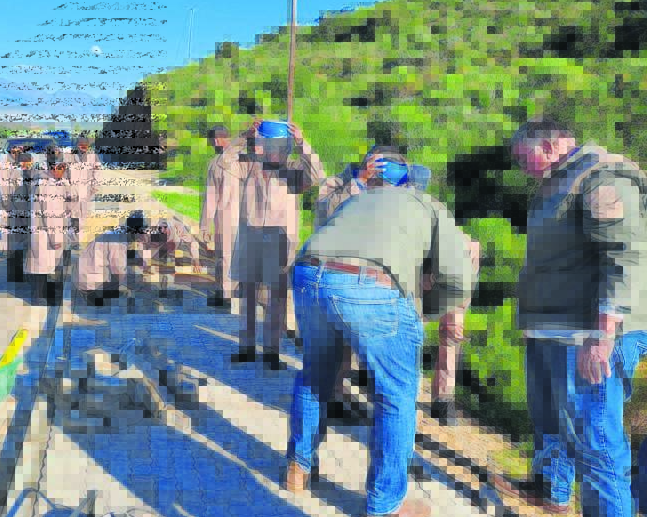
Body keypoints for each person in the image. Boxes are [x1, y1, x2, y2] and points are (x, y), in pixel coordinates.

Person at [489, 115, 647, 517]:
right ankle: (551, 489)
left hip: (591, 332)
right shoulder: (558, 183)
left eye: (525, 157)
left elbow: (624, 255)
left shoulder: (601, 176)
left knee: (596, 436)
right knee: (551, 419)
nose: (521, 167)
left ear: (553, 143)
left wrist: (604, 333)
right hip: (553, 329)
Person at [283, 175, 474, 517]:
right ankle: (384, 505)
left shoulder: (360, 199)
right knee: (396, 395)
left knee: (315, 376)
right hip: (367, 281)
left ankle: (298, 468)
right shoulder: (431, 208)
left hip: (309, 274)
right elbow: (459, 279)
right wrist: (422, 312)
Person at [314, 146, 481, 426]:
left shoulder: (413, 199)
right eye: (381, 170)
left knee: (449, 328)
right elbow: (327, 212)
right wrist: (359, 181)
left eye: (395, 173)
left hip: (410, 280)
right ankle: (336, 395)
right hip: (347, 275)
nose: (389, 180)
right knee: (346, 331)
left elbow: (444, 235)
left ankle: (442, 398)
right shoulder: (343, 186)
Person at [221, 118, 326, 369]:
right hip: (250, 238)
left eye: (280, 146)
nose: (274, 151)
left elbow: (318, 175)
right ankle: (246, 347)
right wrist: (245, 135)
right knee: (247, 295)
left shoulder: (294, 172)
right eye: (270, 145)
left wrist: (302, 143)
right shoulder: (249, 166)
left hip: (280, 243)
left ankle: (272, 351)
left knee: (276, 299)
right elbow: (224, 162)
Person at [75, 211, 154, 306]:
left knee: (125, 266)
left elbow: (124, 257)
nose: (145, 234)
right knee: (124, 281)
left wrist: (139, 261)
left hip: (83, 277)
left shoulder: (118, 233)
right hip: (90, 287)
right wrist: (139, 285)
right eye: (143, 231)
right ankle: (95, 297)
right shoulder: (118, 243)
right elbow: (119, 273)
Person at [25, 160, 77, 304]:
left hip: (43, 233)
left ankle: (40, 296)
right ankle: (38, 298)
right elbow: (50, 215)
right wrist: (56, 239)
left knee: (41, 266)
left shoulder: (46, 182)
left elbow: (72, 198)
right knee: (42, 268)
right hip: (46, 234)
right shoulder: (48, 187)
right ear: (54, 168)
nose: (64, 171)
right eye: (61, 168)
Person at [199, 125, 239, 308]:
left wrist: (204, 226)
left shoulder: (216, 163)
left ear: (216, 140)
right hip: (249, 217)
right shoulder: (245, 159)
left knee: (224, 256)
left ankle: (225, 295)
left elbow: (210, 198)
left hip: (226, 217)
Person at [0, 150, 34, 282]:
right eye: (24, 163)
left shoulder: (35, 174)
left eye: (29, 163)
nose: (27, 165)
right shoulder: (15, 173)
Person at [65, 136, 103, 248]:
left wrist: (94, 188)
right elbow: (63, 173)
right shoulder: (69, 156)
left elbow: (98, 173)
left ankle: (76, 240)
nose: (83, 146)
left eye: (85, 145)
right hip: (71, 191)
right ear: (77, 145)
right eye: (81, 144)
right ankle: (73, 241)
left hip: (86, 192)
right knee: (72, 217)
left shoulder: (93, 156)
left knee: (82, 218)